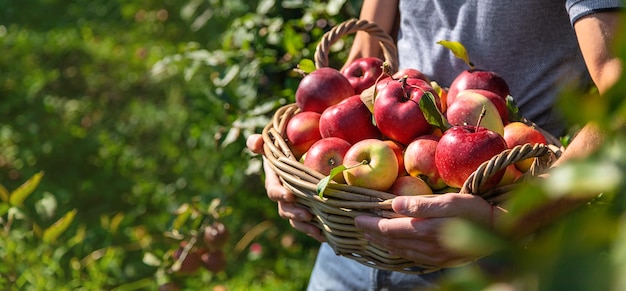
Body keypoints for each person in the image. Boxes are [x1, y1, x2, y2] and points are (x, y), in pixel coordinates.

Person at [247, 0, 624, 290]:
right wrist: (295, 161)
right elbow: (365, 56)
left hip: (488, 244)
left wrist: (510, 223)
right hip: (353, 241)